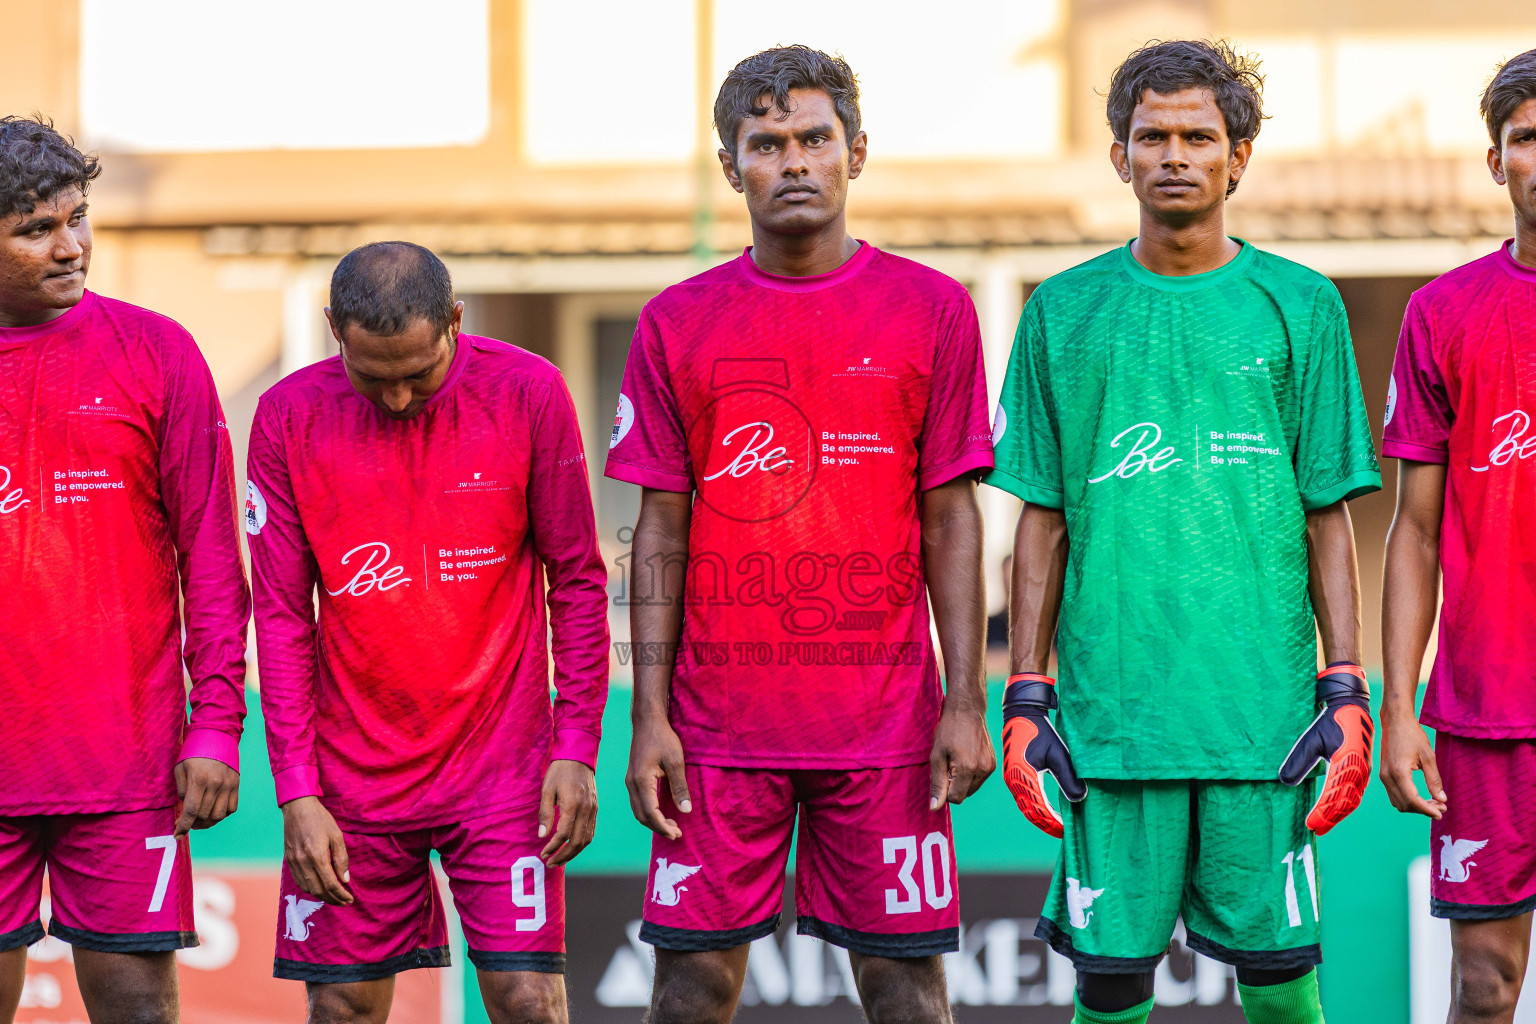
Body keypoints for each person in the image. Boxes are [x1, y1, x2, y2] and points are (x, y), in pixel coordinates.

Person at [986, 41, 1380, 1024]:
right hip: (1113, 726)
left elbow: (1327, 512)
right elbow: (1040, 520)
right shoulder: (1064, 311)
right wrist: (1026, 695)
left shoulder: (1301, 305)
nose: (1173, 154)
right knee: (1109, 983)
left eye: (1197, 136)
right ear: (1120, 157)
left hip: (1265, 723)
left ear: (1236, 156)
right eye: (1150, 136)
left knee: (1281, 977)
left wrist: (1347, 686)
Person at [606, 45, 995, 1024]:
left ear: (856, 152)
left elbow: (952, 515)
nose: (794, 162)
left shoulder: (934, 309)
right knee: (691, 987)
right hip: (716, 732)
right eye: (767, 143)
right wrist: (649, 713)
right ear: (732, 166)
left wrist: (965, 699)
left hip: (886, 729)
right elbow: (658, 527)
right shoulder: (675, 323)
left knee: (906, 987)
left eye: (815, 139)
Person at [246, 242, 608, 1024]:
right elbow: (279, 615)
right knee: (342, 1006)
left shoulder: (529, 392)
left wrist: (576, 748)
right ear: (333, 330)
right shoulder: (287, 416)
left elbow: (576, 581)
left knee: (526, 1000)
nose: (402, 397)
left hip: (503, 773)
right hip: (352, 782)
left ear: (455, 320)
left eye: (421, 370)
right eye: (374, 376)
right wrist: (297, 792)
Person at [0, 116, 249, 1023]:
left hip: (124, 763)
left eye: (79, 217)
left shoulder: (156, 352)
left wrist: (216, 727)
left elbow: (213, 562)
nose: (72, 247)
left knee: (139, 1007)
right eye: (36, 229)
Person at [1379, 49, 1536, 1024]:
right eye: (1528, 138)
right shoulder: (1443, 313)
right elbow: (1413, 531)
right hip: (1484, 707)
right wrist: (1400, 706)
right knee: (1483, 986)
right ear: (1497, 162)